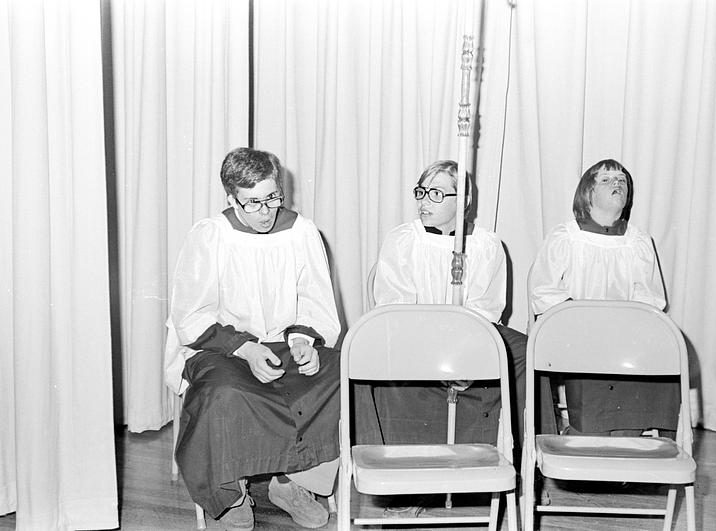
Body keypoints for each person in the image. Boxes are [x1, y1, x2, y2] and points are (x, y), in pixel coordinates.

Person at [164, 148, 340, 530]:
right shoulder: (211, 235)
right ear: (231, 198)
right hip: (219, 346)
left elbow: (316, 299)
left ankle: (291, 483)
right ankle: (231, 492)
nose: (266, 212)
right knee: (224, 393)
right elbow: (190, 315)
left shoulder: (302, 231)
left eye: (273, 198)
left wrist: (305, 341)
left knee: (336, 374)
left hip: (286, 341)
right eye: (253, 202)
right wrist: (245, 347)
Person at [368, 160, 556, 457]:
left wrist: (466, 356)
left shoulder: (486, 244)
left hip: (471, 333)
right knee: (382, 355)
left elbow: (485, 307)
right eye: (421, 192)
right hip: (414, 334)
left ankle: (528, 462)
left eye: (437, 194)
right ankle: (406, 471)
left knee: (524, 352)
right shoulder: (402, 240)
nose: (424, 201)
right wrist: (434, 350)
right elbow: (395, 303)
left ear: (464, 200)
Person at [529, 158, 679, 437]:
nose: (617, 184)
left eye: (622, 180)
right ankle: (588, 435)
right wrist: (585, 319)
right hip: (576, 328)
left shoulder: (637, 240)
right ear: (588, 192)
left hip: (625, 328)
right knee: (593, 348)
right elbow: (543, 290)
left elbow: (650, 297)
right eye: (607, 180)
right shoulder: (566, 237)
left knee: (663, 343)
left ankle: (634, 436)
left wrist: (626, 322)